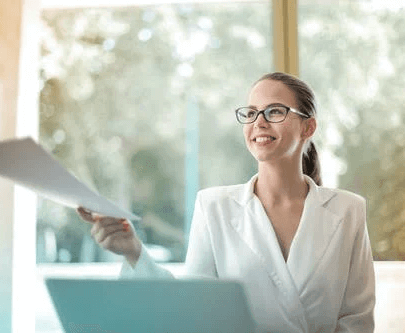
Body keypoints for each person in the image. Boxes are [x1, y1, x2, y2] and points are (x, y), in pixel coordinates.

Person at [77, 72, 375, 333]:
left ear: (308, 127)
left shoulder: (348, 210)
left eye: (274, 112)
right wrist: (133, 251)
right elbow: (193, 310)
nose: (258, 122)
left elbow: (356, 319)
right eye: (251, 112)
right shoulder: (213, 206)